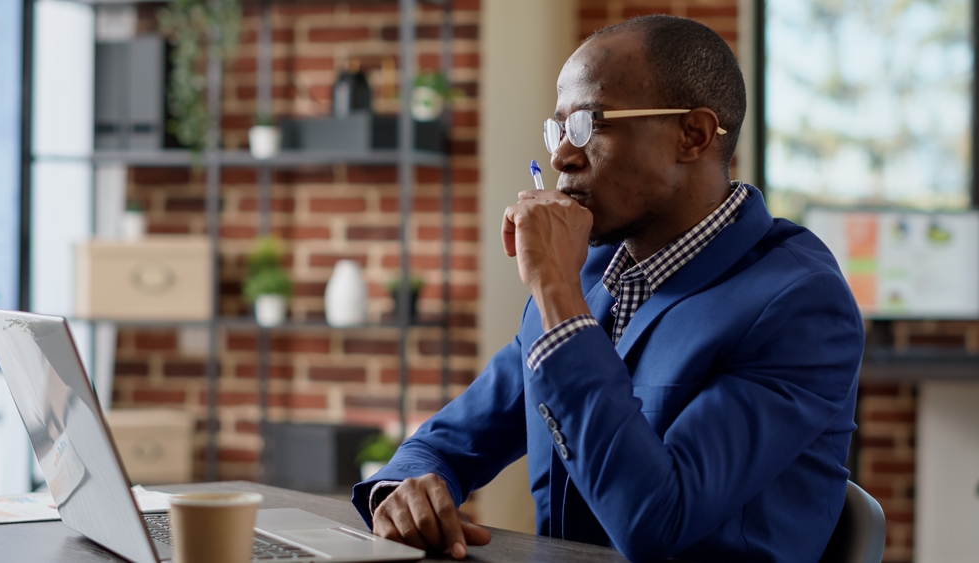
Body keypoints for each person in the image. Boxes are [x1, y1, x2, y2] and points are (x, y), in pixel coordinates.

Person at [352, 14, 864, 563]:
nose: (561, 156)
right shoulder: (592, 274)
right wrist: (403, 492)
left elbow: (657, 522)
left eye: (589, 124)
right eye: (558, 129)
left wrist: (556, 293)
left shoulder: (799, 304)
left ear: (691, 135)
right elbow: (444, 444)